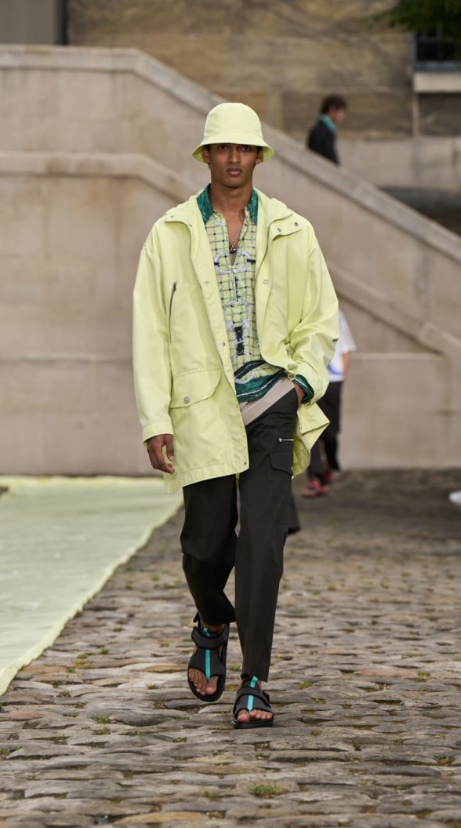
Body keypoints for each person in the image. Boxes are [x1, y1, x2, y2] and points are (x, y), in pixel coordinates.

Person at [132, 102, 338, 729]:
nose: (233, 158)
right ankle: (211, 621)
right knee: (203, 546)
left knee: (263, 546)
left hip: (273, 401)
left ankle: (255, 682)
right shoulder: (170, 233)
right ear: (207, 156)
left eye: (243, 148)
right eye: (222, 148)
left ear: (256, 157)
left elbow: (320, 316)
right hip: (202, 409)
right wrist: (155, 418)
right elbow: (150, 332)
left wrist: (302, 384)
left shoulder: (292, 230)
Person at [302, 309, 355, 497]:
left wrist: (342, 376)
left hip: (333, 380)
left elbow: (346, 348)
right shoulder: (301, 309)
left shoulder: (336, 314)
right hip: (309, 379)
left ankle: (329, 465)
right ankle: (315, 478)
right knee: (310, 429)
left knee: (331, 432)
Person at [307, 94, 347, 166]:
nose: (343, 116)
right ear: (332, 109)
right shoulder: (319, 131)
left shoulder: (326, 129)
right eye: (341, 111)